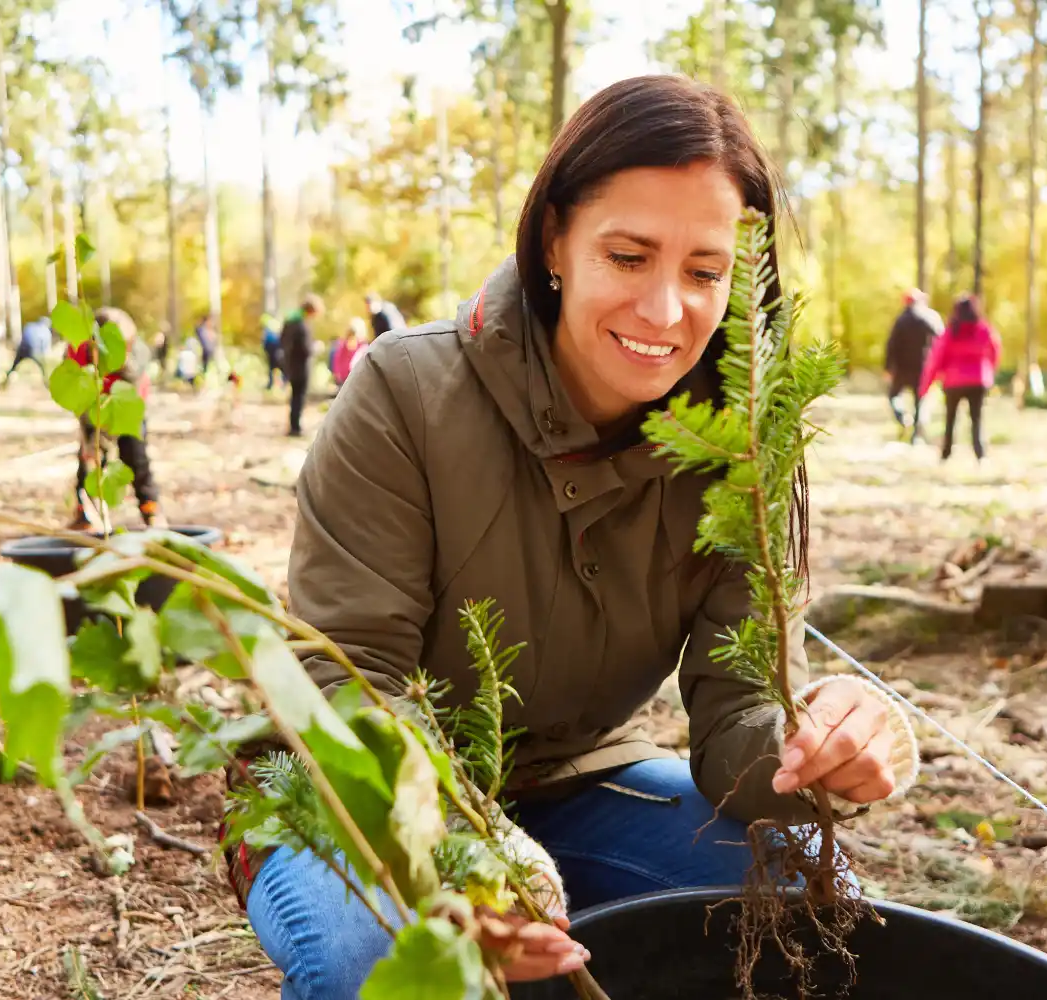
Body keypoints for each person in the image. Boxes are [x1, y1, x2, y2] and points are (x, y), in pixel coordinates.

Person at [233, 75, 919, 999]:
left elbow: (734, 728)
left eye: (705, 272)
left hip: (575, 784)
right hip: (353, 799)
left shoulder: (743, 451)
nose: (667, 310)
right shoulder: (406, 395)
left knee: (811, 898)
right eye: (629, 256)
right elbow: (345, 680)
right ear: (555, 238)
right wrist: (456, 862)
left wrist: (822, 749)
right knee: (390, 964)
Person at [68, 307, 162, 529]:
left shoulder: (137, 353)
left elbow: (133, 388)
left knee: (136, 455)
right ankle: (85, 513)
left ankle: (151, 509)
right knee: (89, 459)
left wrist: (123, 364)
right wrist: (91, 432)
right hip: (95, 405)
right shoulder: (78, 352)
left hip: (129, 404)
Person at [918, 294, 1003, 462]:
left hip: (953, 380)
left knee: (950, 419)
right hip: (978, 380)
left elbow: (936, 358)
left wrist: (925, 386)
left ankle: (946, 454)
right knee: (976, 419)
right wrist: (989, 370)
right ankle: (980, 454)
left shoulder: (951, 332)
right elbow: (995, 350)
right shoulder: (984, 329)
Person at [884, 289, 942, 442]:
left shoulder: (901, 320)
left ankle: (903, 417)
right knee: (919, 401)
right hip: (923, 367)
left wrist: (888, 367)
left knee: (893, 396)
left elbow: (891, 345)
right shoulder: (930, 319)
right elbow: (940, 341)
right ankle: (915, 436)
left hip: (902, 368)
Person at [278, 295, 322, 436]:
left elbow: (282, 340)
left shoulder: (290, 321)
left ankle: (293, 424)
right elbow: (306, 348)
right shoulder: (302, 325)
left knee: (294, 395)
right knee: (299, 396)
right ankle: (295, 427)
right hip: (301, 366)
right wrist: (316, 348)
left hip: (290, 364)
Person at [3, 315, 53, 387]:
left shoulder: (30, 325)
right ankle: (47, 383)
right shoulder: (46, 331)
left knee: (14, 366)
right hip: (34, 350)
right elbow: (44, 346)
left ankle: (5, 382)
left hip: (23, 348)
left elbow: (23, 337)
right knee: (43, 367)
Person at [328, 317, 368, 387]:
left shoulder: (362, 346)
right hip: (344, 375)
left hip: (356, 376)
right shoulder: (343, 345)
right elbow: (338, 358)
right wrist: (336, 372)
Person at [260, 312, 282, 390]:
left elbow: (264, 341)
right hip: (275, 350)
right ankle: (277, 384)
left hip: (273, 350)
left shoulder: (268, 329)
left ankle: (274, 384)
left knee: (273, 368)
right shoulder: (273, 326)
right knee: (277, 367)